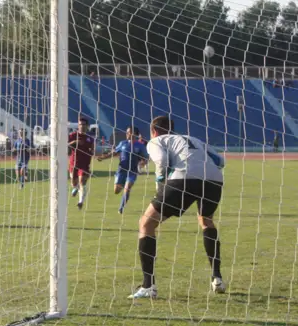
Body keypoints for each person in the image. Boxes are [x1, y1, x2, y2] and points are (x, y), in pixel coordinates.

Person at [128, 115, 227, 300]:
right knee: (206, 221)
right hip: (214, 180)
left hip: (183, 178)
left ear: (153, 131)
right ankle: (217, 278)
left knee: (146, 224)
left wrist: (160, 183)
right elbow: (221, 161)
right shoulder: (193, 139)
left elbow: (162, 160)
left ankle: (148, 286)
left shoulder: (155, 141)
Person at [97, 126, 150, 214]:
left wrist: (143, 162)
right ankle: (122, 184)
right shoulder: (123, 143)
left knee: (127, 188)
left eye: (129, 132)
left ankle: (121, 208)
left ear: (135, 134)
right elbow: (114, 153)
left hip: (132, 171)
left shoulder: (140, 146)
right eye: (127, 132)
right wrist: (103, 157)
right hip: (121, 170)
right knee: (116, 191)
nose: (127, 134)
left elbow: (146, 157)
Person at [68, 117, 95, 208]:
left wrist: (95, 154)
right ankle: (76, 188)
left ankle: (80, 202)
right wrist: (75, 142)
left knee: (82, 181)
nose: (82, 126)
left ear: (87, 126)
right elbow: (66, 144)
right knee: (74, 183)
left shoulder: (90, 139)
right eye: (80, 124)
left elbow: (93, 150)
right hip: (74, 163)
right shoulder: (72, 135)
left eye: (84, 125)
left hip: (84, 164)